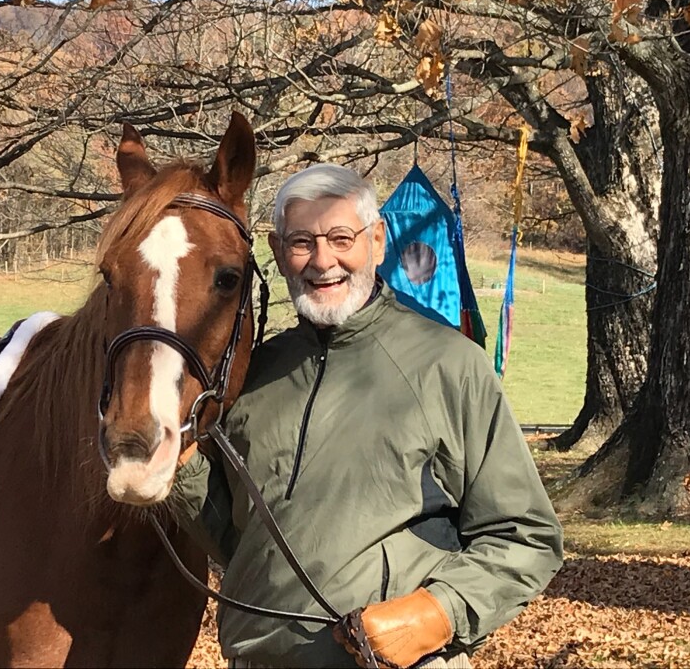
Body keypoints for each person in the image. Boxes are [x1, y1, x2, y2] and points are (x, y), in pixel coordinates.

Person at [171, 164, 563, 669]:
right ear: (276, 252)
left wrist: (437, 613)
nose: (322, 261)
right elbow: (243, 545)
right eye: (301, 243)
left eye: (340, 238)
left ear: (377, 240)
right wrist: (185, 473)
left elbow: (526, 534)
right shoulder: (255, 377)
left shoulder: (447, 365)